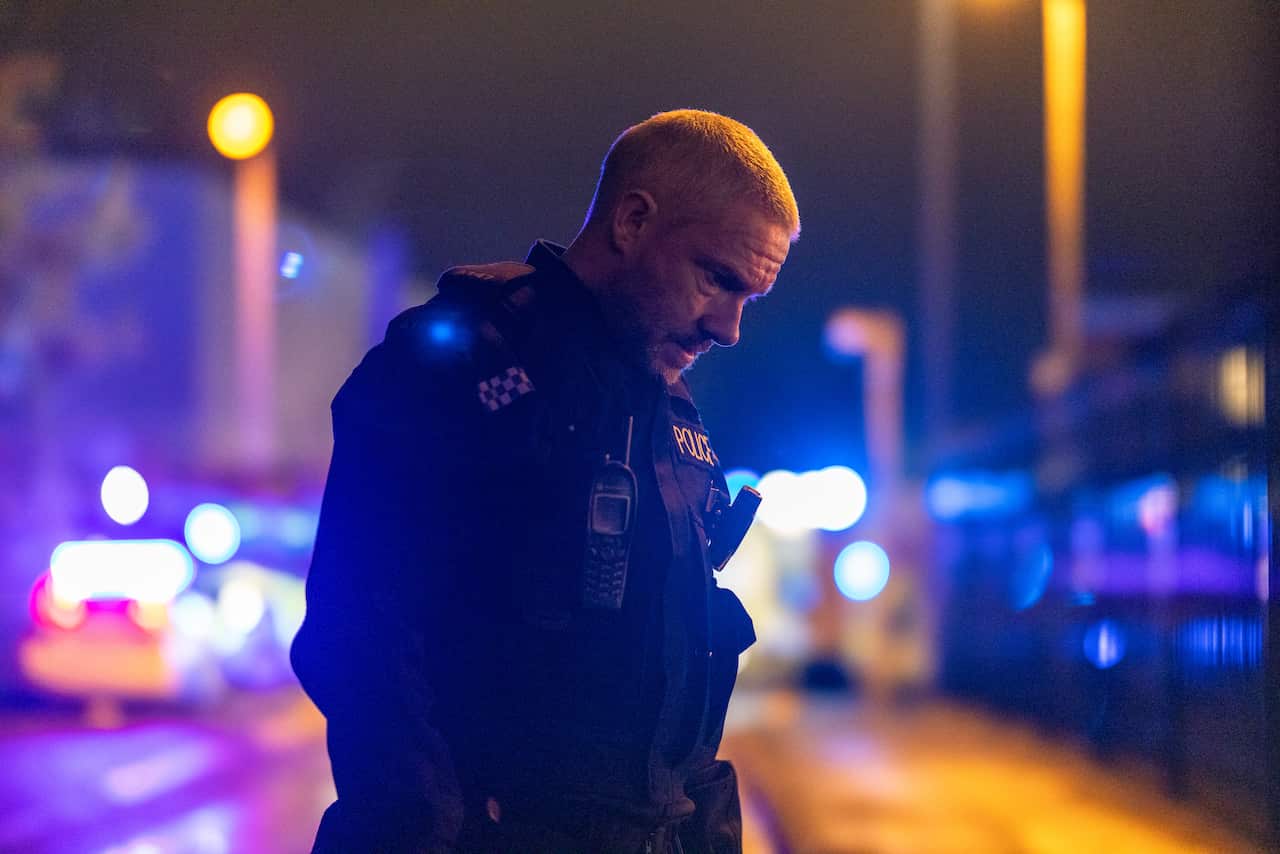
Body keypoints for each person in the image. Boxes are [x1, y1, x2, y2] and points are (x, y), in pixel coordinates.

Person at [292, 108, 800, 853]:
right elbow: (360, 638)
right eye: (715, 280)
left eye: (746, 300)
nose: (727, 328)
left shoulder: (670, 405)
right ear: (632, 221)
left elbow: (685, 675)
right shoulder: (460, 361)